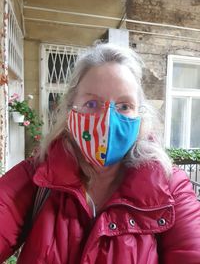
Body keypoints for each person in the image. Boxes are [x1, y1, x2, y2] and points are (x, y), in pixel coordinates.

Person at [0, 43, 200, 264]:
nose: (107, 120)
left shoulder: (169, 188)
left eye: (124, 106)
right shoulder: (37, 178)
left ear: (140, 116)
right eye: (92, 103)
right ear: (70, 111)